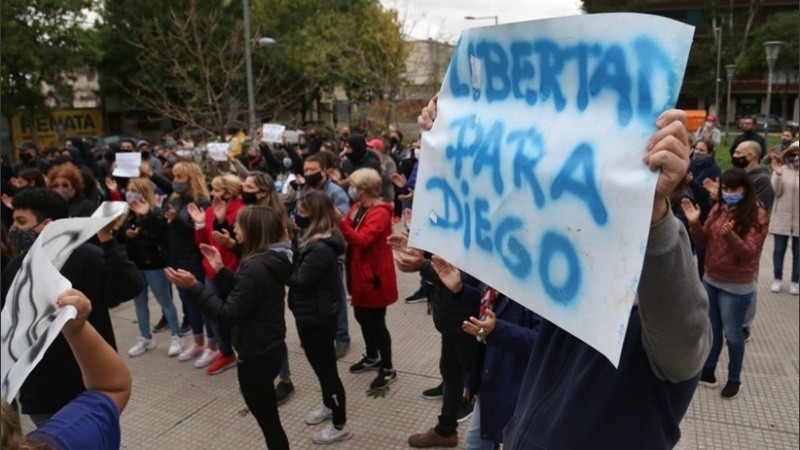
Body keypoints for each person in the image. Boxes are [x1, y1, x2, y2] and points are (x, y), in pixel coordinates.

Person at [418, 97, 711, 448]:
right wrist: (451, 134)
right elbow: (523, 315)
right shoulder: (574, 280)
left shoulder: (669, 310)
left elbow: (684, 343)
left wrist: (652, 209)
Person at [1, 188, 142, 426]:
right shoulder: (16, 268)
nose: (13, 228)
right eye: (13, 220)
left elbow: (129, 286)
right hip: (40, 392)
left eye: (21, 221)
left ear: (46, 225)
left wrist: (107, 240)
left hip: (86, 384)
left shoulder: (87, 257)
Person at [165, 206, 294, 450]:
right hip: (270, 346)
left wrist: (194, 288)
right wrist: (221, 269)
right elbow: (247, 295)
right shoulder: (268, 260)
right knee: (269, 418)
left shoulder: (255, 265)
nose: (234, 228)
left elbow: (228, 315)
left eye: (239, 224)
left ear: (253, 230)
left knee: (269, 422)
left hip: (256, 355)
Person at [1, 288, 132, 450]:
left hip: (42, 394)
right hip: (51, 394)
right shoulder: (63, 441)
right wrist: (77, 329)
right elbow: (112, 387)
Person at [682, 168, 768, 399]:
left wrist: (730, 235)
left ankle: (734, 379)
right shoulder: (720, 208)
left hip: (737, 287)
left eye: (735, 189)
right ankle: (708, 371)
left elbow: (749, 253)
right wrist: (694, 224)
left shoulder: (756, 214)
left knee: (734, 333)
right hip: (711, 279)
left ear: (745, 190)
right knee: (713, 329)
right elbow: (703, 242)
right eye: (726, 189)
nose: (729, 193)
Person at [287, 190, 351, 444]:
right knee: (322, 368)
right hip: (311, 314)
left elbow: (299, 281)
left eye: (302, 212)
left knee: (327, 371)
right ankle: (327, 404)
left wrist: (277, 266)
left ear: (314, 217)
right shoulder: (310, 240)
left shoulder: (321, 248)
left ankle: (339, 423)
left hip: (317, 317)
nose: (297, 216)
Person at [340, 168, 399, 390]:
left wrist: (340, 223)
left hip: (374, 276)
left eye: (354, 185)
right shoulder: (357, 207)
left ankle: (388, 368)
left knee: (376, 322)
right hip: (358, 273)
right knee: (361, 316)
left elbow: (363, 240)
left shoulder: (380, 212)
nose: (351, 188)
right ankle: (373, 355)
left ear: (363, 188)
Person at [118, 177, 183, 358]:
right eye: (128, 190)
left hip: (154, 265)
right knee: (139, 304)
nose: (130, 193)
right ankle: (145, 337)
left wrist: (146, 219)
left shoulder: (156, 213)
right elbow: (120, 240)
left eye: (134, 190)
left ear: (144, 192)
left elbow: (160, 236)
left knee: (165, 301)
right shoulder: (128, 214)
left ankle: (176, 336)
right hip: (136, 265)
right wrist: (126, 234)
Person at [187, 173, 245, 375]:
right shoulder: (211, 210)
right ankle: (226, 353)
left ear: (230, 192)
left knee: (239, 317)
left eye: (217, 189)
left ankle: (244, 353)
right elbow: (202, 243)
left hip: (233, 272)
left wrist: (223, 221)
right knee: (215, 315)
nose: (212, 193)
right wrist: (200, 224)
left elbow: (240, 245)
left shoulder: (243, 211)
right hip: (211, 271)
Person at [162, 162, 215, 366]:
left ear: (191, 179)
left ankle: (213, 346)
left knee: (202, 303)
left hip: (195, 261)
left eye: (180, 177)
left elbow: (199, 234)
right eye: (174, 176)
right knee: (188, 303)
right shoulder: (174, 200)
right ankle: (198, 341)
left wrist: (177, 221)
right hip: (178, 259)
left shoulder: (203, 202)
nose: (176, 181)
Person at [767, 144, 799, 295]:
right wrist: (778, 176)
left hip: (798, 219)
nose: (796, 156)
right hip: (782, 217)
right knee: (779, 250)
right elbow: (777, 193)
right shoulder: (782, 171)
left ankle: (795, 281)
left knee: (798, 252)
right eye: (794, 153)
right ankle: (777, 279)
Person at [687, 138, 721, 279]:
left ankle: (702, 284)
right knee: (686, 255)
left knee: (702, 256)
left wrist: (692, 183)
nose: (697, 152)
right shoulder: (689, 165)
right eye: (696, 148)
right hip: (686, 216)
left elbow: (709, 196)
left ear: (710, 153)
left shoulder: (714, 170)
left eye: (702, 150)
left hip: (704, 217)